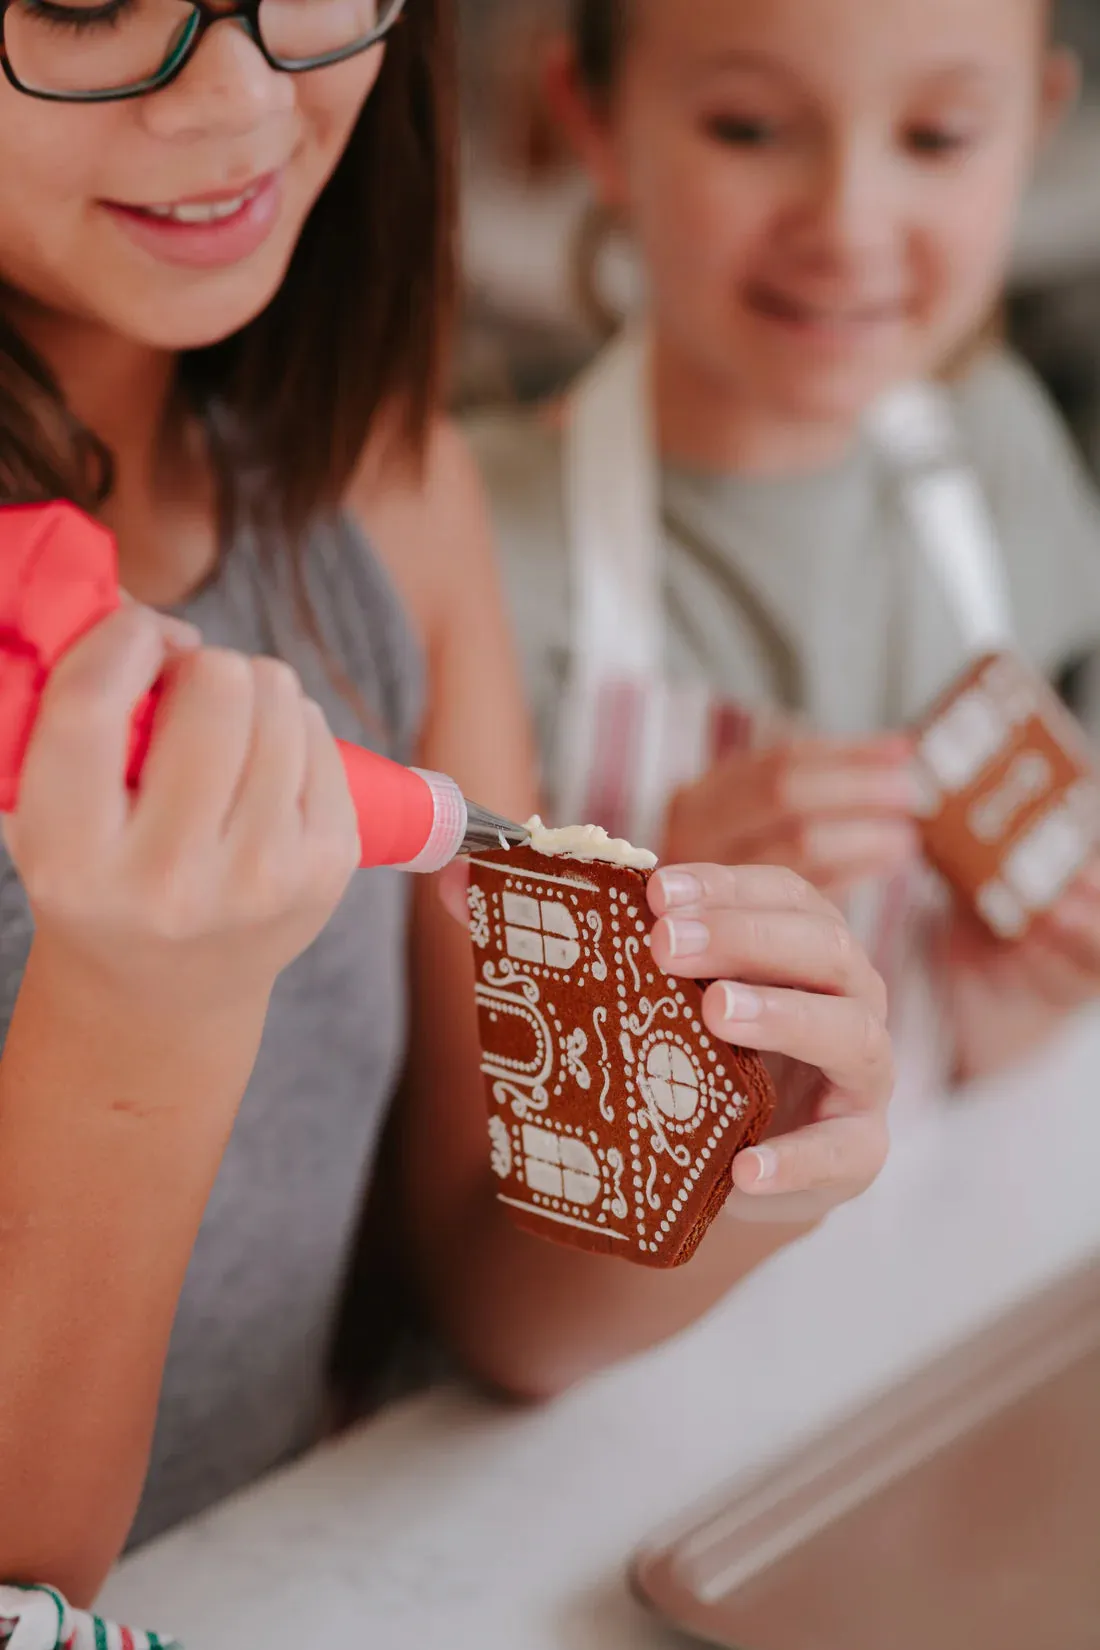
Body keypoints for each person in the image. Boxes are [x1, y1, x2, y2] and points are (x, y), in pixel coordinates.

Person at [0, 0, 893, 1612]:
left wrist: (717, 1168)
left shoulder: (390, 497)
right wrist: (139, 1029)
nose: (241, 89)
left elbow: (484, 1278)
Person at [466, 0, 1100, 1102]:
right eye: (748, 129)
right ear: (595, 119)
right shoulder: (470, 538)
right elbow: (446, 1147)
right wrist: (642, 949)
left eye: (936, 138)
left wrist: (1005, 1006)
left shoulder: (997, 446)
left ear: (1035, 126)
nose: (848, 223)